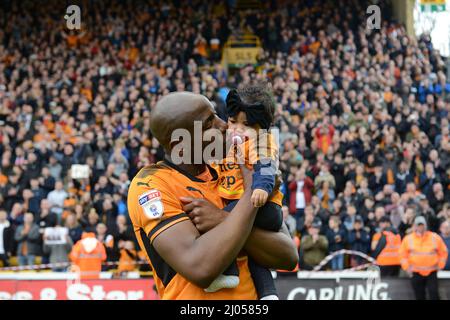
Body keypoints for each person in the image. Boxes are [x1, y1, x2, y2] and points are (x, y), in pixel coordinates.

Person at [127, 92, 298, 300]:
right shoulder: (151, 185)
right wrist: (252, 191)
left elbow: (287, 256)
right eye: (208, 124)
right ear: (180, 143)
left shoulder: (233, 163)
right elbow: (200, 267)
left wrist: (221, 219)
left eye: (216, 115)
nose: (224, 125)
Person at [208, 83, 284, 299]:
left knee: (220, 222)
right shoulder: (226, 144)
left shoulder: (263, 141)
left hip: (263, 207)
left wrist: (261, 187)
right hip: (244, 205)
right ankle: (268, 293)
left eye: (246, 125)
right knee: (253, 253)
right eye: (233, 122)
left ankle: (227, 270)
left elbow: (266, 166)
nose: (237, 129)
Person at [399, 216, 448, 300]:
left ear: (426, 225)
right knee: (419, 296)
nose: (420, 227)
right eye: (418, 225)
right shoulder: (408, 239)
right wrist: (407, 267)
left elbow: (443, 252)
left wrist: (440, 265)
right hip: (416, 272)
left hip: (431, 272)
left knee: (434, 295)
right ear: (415, 226)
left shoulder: (435, 237)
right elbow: (402, 255)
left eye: (422, 225)